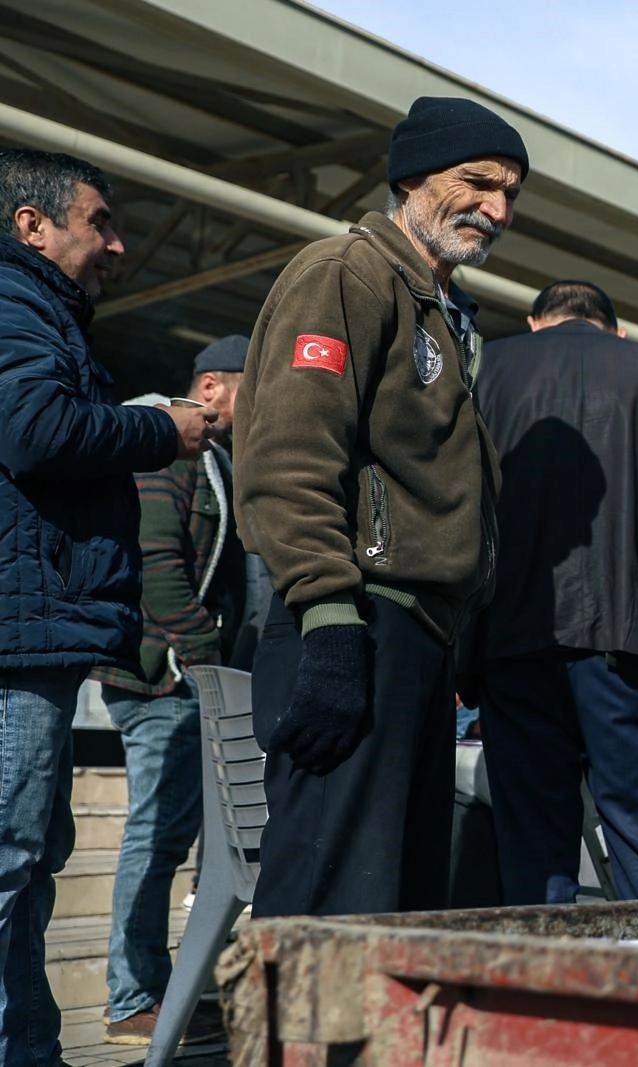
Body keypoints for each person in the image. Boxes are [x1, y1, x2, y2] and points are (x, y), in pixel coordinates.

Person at [232, 96, 526, 918]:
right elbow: (290, 454)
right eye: (477, 182)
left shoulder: (443, 309)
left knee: (395, 906)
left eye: (510, 193)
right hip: (355, 622)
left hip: (416, 638)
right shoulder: (346, 272)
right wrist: (329, 621)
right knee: (329, 901)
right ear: (411, 177)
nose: (498, 209)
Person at [0, 149, 214, 1066]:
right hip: (20, 636)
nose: (118, 244)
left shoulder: (40, 312)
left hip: (37, 633)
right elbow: (35, 431)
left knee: (27, 864)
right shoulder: (14, 304)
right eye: (99, 222)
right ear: (32, 225)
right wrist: (160, 426)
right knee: (10, 860)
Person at [470, 279, 638, 904]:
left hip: (514, 631)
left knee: (533, 849)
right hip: (634, 640)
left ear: (535, 323)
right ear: (617, 330)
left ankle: (544, 967)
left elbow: (457, 498)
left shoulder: (488, 366)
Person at [92, 336, 251, 1046]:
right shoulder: (165, 451)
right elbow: (157, 565)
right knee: (155, 836)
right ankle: (133, 996)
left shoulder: (213, 459)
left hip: (184, 676)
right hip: (163, 678)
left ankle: (163, 990)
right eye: (251, 388)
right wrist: (204, 651)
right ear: (210, 388)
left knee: (171, 838)